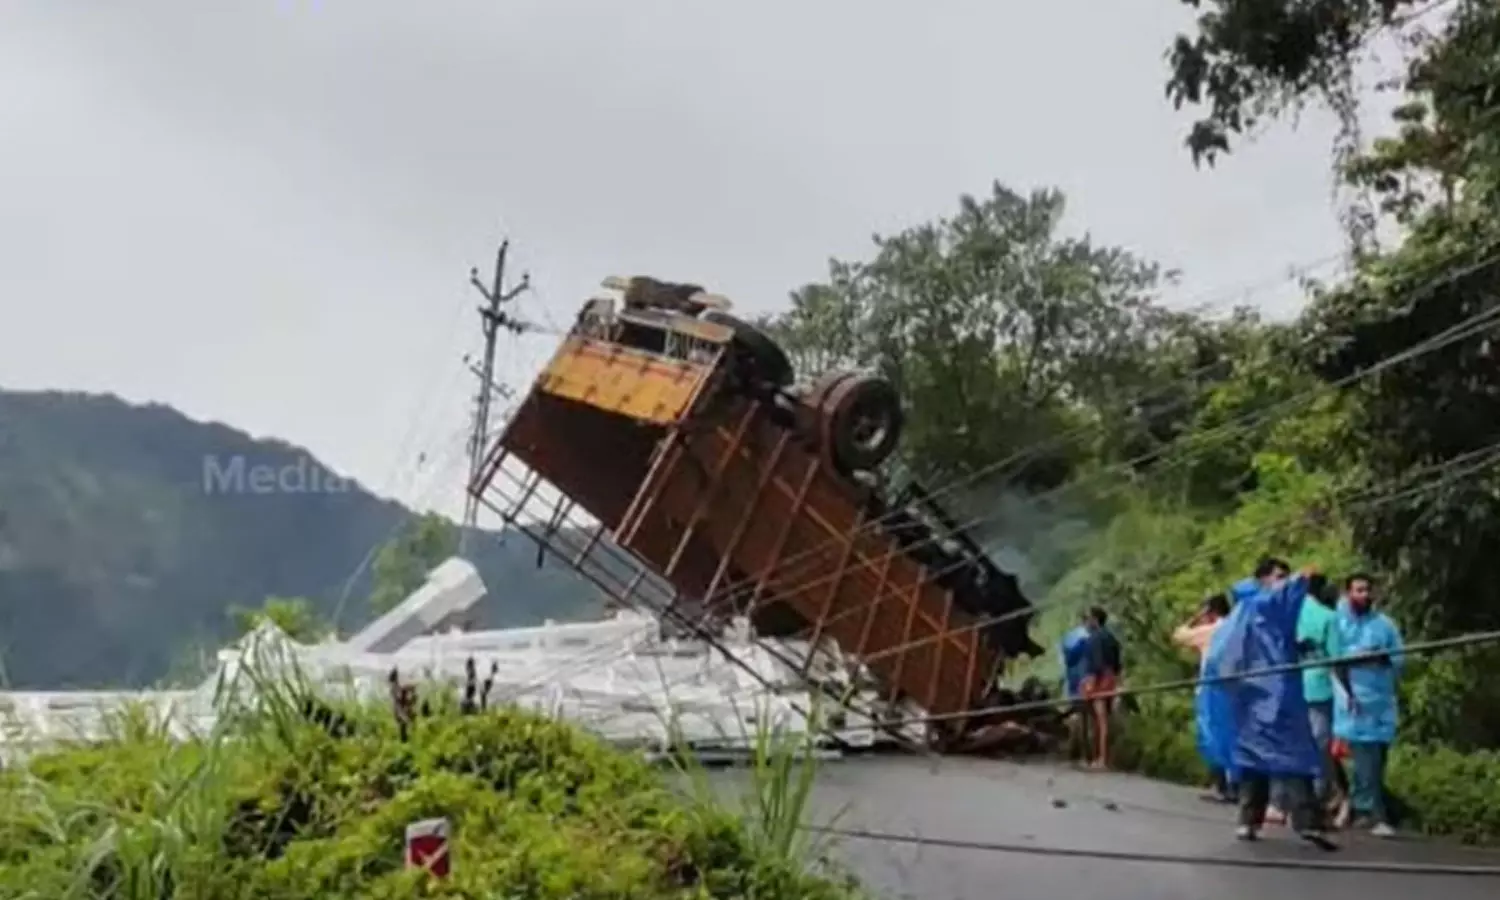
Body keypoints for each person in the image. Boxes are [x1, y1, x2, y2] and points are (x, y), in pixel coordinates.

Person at [1204, 562, 1335, 848]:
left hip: (1271, 695)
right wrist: (1302, 577)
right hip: (1265, 695)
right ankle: (1262, 820)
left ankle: (1293, 821)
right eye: (1278, 577)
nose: (1283, 582)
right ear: (1263, 580)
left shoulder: (1253, 610)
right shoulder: (1261, 604)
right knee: (1273, 758)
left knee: (1282, 757)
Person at [1331, 573, 1404, 839]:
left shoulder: (1385, 625)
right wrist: (1358, 658)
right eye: (1358, 590)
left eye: (1367, 590)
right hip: (1353, 702)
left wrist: (1381, 659)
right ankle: (1369, 813)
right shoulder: (1337, 624)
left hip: (1381, 701)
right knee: (1364, 760)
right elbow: (1334, 660)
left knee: (1377, 760)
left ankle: (1362, 808)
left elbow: (1397, 659)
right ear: (1348, 593)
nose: (1364, 595)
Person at [1174, 592, 1237, 801]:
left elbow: (1179, 636)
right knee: (1232, 737)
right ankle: (1233, 785)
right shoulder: (1235, 626)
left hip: (1210, 690)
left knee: (1213, 737)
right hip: (1235, 690)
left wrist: (1194, 618)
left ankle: (1223, 786)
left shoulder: (1210, 631)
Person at [1079, 606, 1123, 770]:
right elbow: (1118, 663)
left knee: (1099, 720)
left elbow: (1096, 663)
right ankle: (1103, 757)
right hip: (1110, 678)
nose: (1086, 622)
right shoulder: (1111, 637)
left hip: (1099, 680)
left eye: (1088, 618)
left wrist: (1091, 683)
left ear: (1095, 620)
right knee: (1104, 718)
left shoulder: (1095, 638)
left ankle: (1101, 758)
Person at [1060, 614, 1093, 763]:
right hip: (1087, 681)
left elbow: (1065, 660)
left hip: (1073, 681)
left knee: (1078, 715)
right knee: (1088, 717)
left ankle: (1075, 750)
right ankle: (1087, 753)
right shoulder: (1089, 638)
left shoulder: (1069, 637)